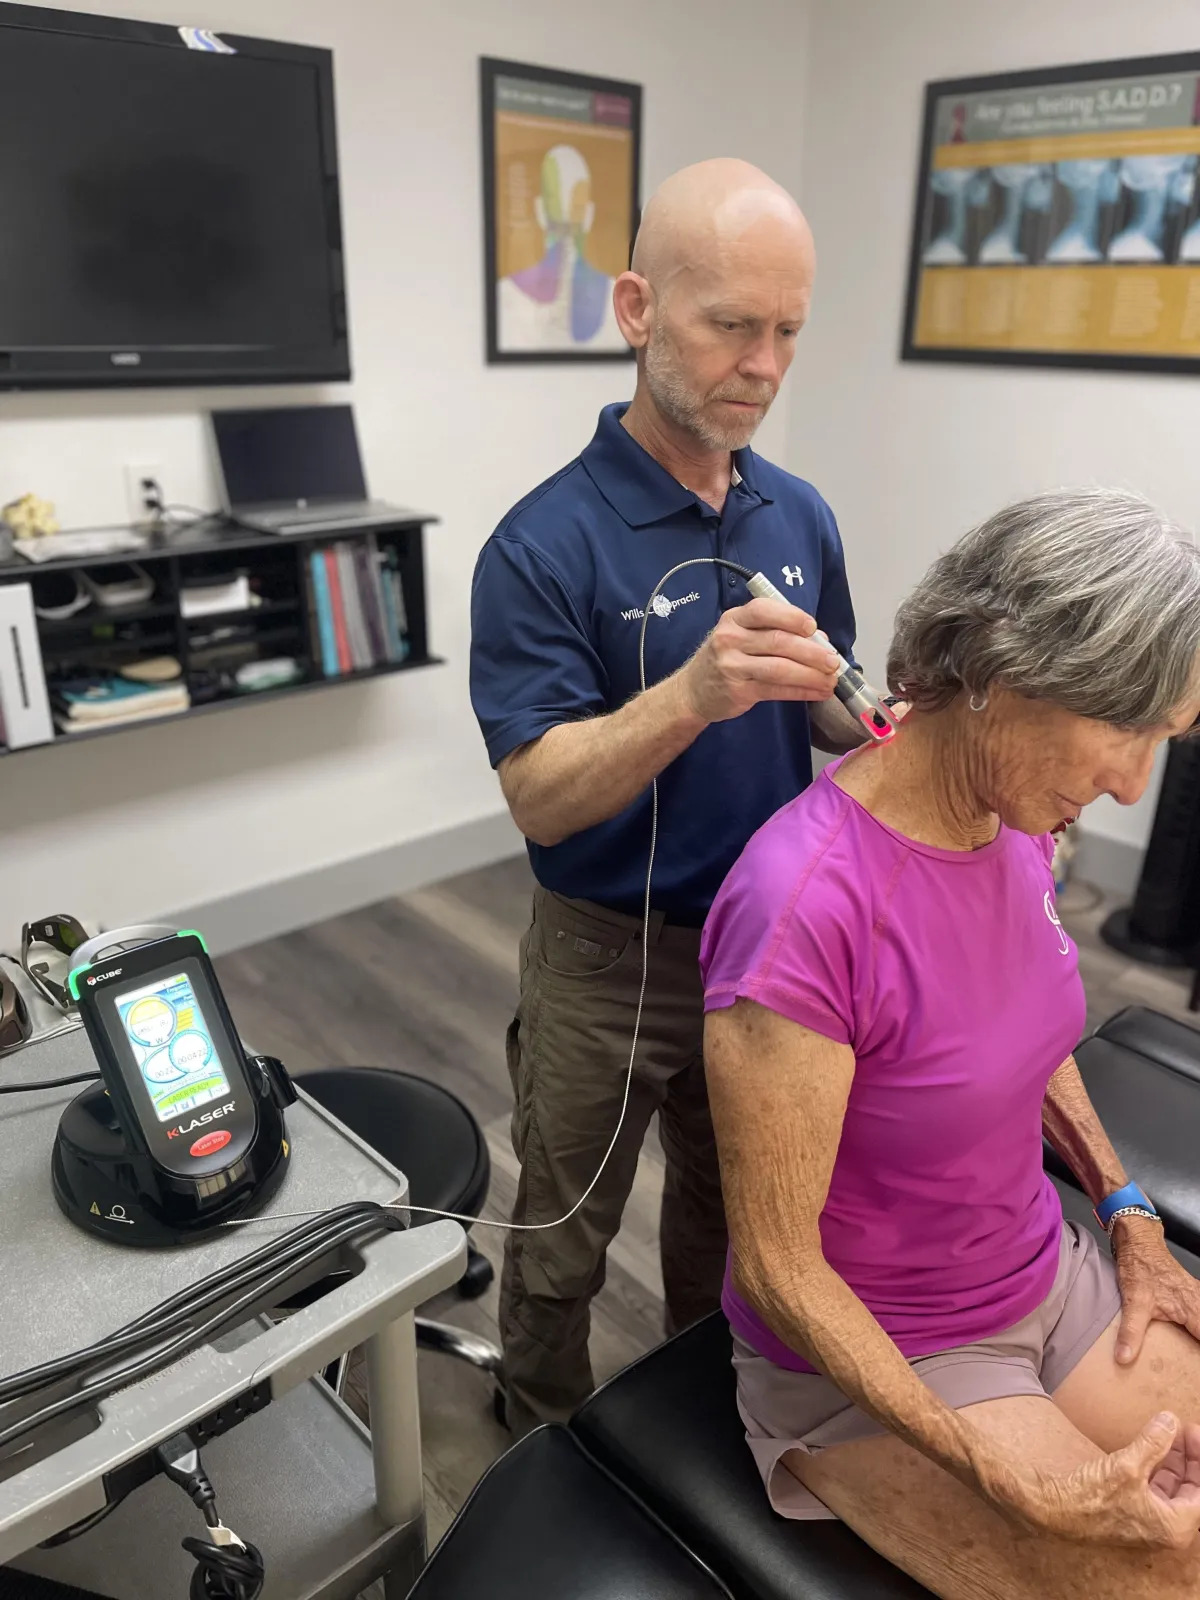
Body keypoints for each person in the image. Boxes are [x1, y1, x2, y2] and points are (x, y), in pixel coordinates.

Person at [701, 488, 1200, 1600]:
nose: (1129, 784)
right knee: (1170, 1570)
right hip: (879, 1354)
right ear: (999, 677)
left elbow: (1017, 1027)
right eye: (1122, 732)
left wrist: (1125, 1211)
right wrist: (1003, 1477)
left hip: (1039, 1272)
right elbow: (780, 1272)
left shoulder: (1010, 820)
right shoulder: (803, 906)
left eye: (1158, 743)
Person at [470, 157, 880, 1435]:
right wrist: (691, 695)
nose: (763, 364)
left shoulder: (795, 510)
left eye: (790, 332)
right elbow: (541, 797)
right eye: (731, 326)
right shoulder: (540, 545)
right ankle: (536, 1442)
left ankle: (701, 1435)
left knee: (735, 1219)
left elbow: (825, 694)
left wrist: (876, 720)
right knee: (559, 1239)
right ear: (639, 309)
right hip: (603, 963)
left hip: (766, 955)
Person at [497, 143, 626, 353]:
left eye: (574, 204)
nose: (566, 224)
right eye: (558, 200)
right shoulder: (506, 296)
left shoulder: (618, 303)